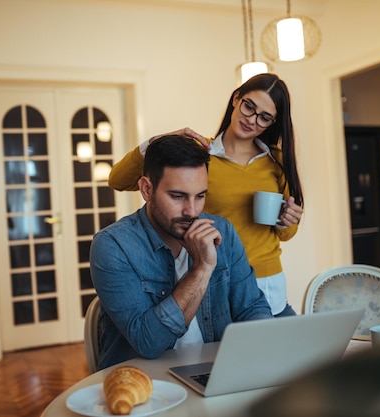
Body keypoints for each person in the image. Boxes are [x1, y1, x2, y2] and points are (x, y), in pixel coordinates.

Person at [109, 73, 304, 317]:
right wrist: (158, 141)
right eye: (249, 107)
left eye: (264, 117)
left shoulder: (277, 161)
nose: (251, 120)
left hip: (266, 279)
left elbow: (285, 234)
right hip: (215, 275)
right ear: (236, 99)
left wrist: (288, 220)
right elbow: (118, 180)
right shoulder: (200, 155)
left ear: (272, 123)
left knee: (277, 351)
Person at [90, 135, 272, 370]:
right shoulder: (113, 245)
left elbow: (252, 309)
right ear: (146, 189)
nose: (192, 210)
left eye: (200, 196)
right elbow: (148, 342)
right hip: (144, 385)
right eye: (177, 196)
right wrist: (202, 268)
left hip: (216, 373)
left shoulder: (222, 230)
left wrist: (261, 352)